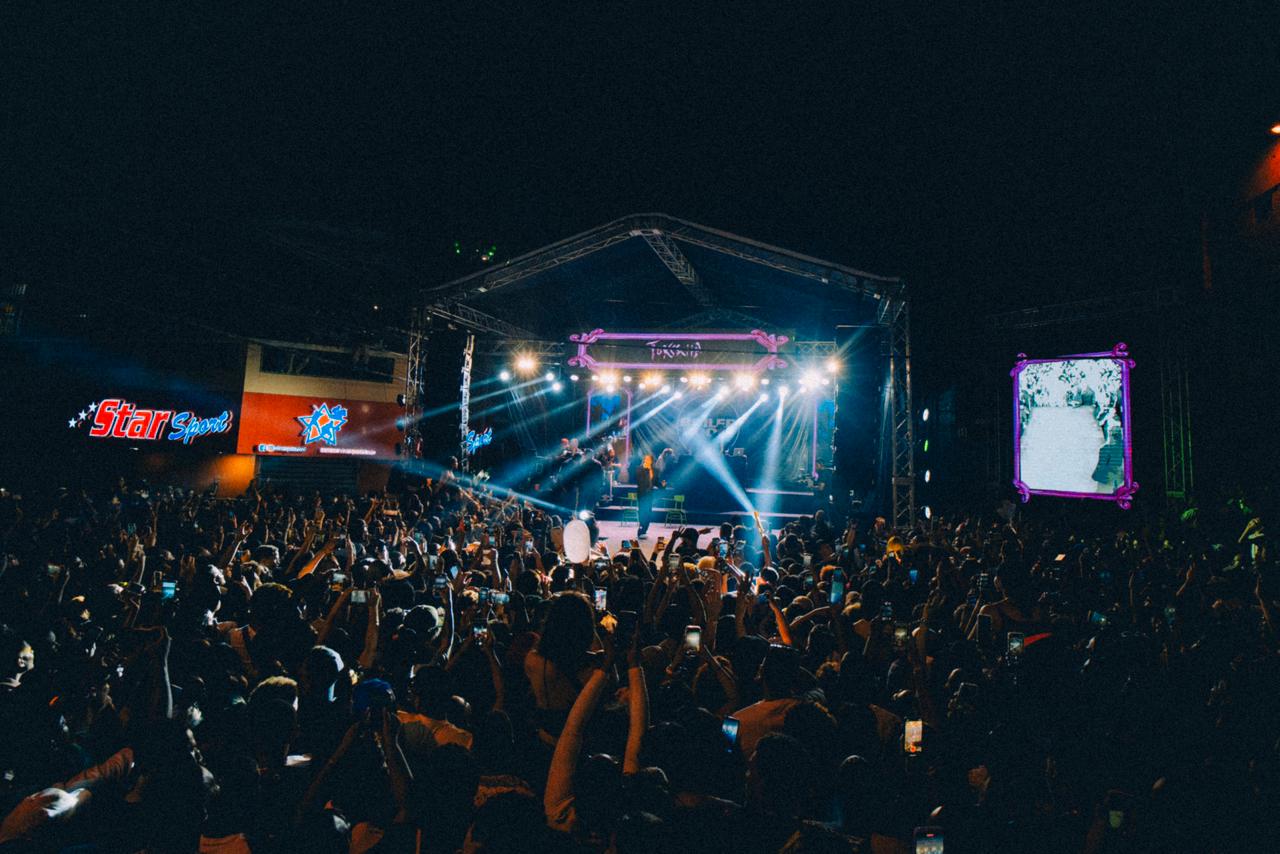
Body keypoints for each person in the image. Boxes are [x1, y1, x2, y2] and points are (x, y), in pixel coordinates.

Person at [636, 454, 656, 539]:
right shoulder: (640, 469)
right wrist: (646, 470)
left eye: (649, 459)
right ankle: (641, 530)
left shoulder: (654, 470)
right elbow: (640, 481)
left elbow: (656, 481)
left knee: (648, 512)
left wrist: (663, 485)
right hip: (642, 494)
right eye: (646, 459)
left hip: (650, 495)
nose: (647, 461)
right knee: (642, 511)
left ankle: (644, 529)